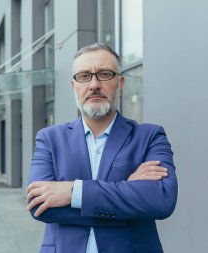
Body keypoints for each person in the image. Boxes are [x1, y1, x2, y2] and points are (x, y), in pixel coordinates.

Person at [26, 43, 178, 253]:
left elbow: (161, 200)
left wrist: (73, 192)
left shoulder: (150, 136)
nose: (94, 84)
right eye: (84, 76)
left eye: (105, 74)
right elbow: (38, 206)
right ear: (73, 85)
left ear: (120, 82)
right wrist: (127, 193)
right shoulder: (50, 138)